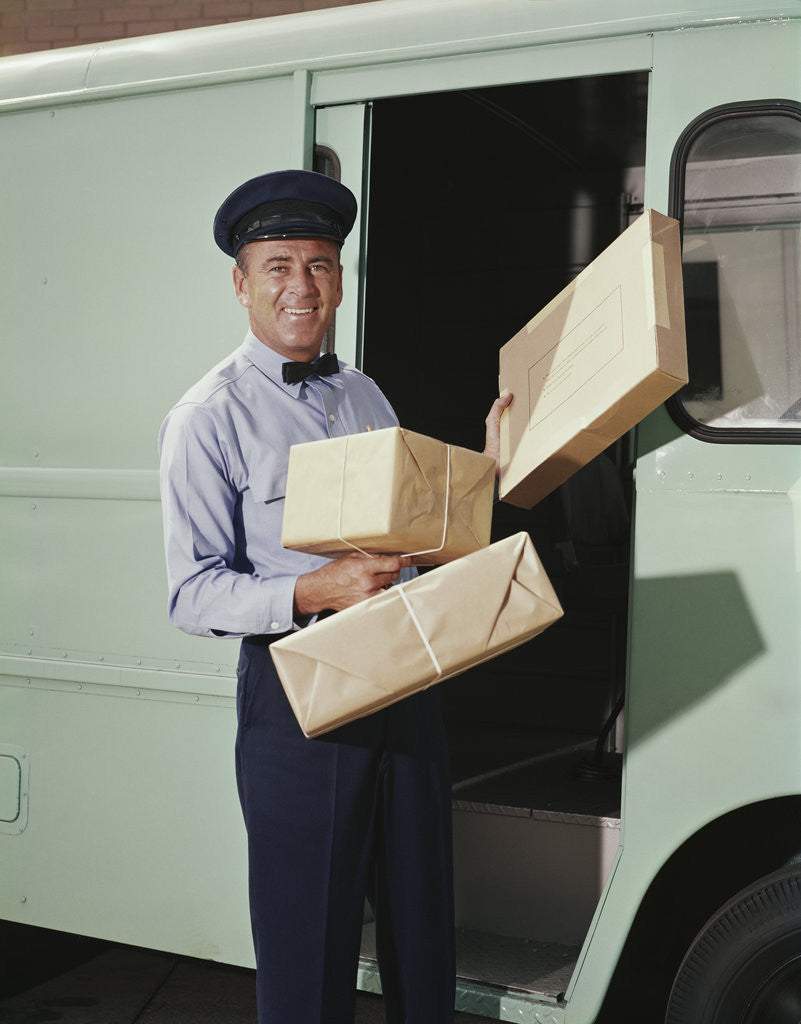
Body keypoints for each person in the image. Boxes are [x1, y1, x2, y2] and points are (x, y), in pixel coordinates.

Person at [158, 169, 510, 1024]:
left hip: (403, 678)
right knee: (308, 930)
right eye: (278, 266)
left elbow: (411, 529)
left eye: (318, 265)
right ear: (241, 284)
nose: (301, 286)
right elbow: (192, 593)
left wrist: (489, 466)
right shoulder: (207, 417)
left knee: (422, 916)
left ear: (340, 280)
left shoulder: (361, 394)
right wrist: (313, 586)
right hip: (297, 695)